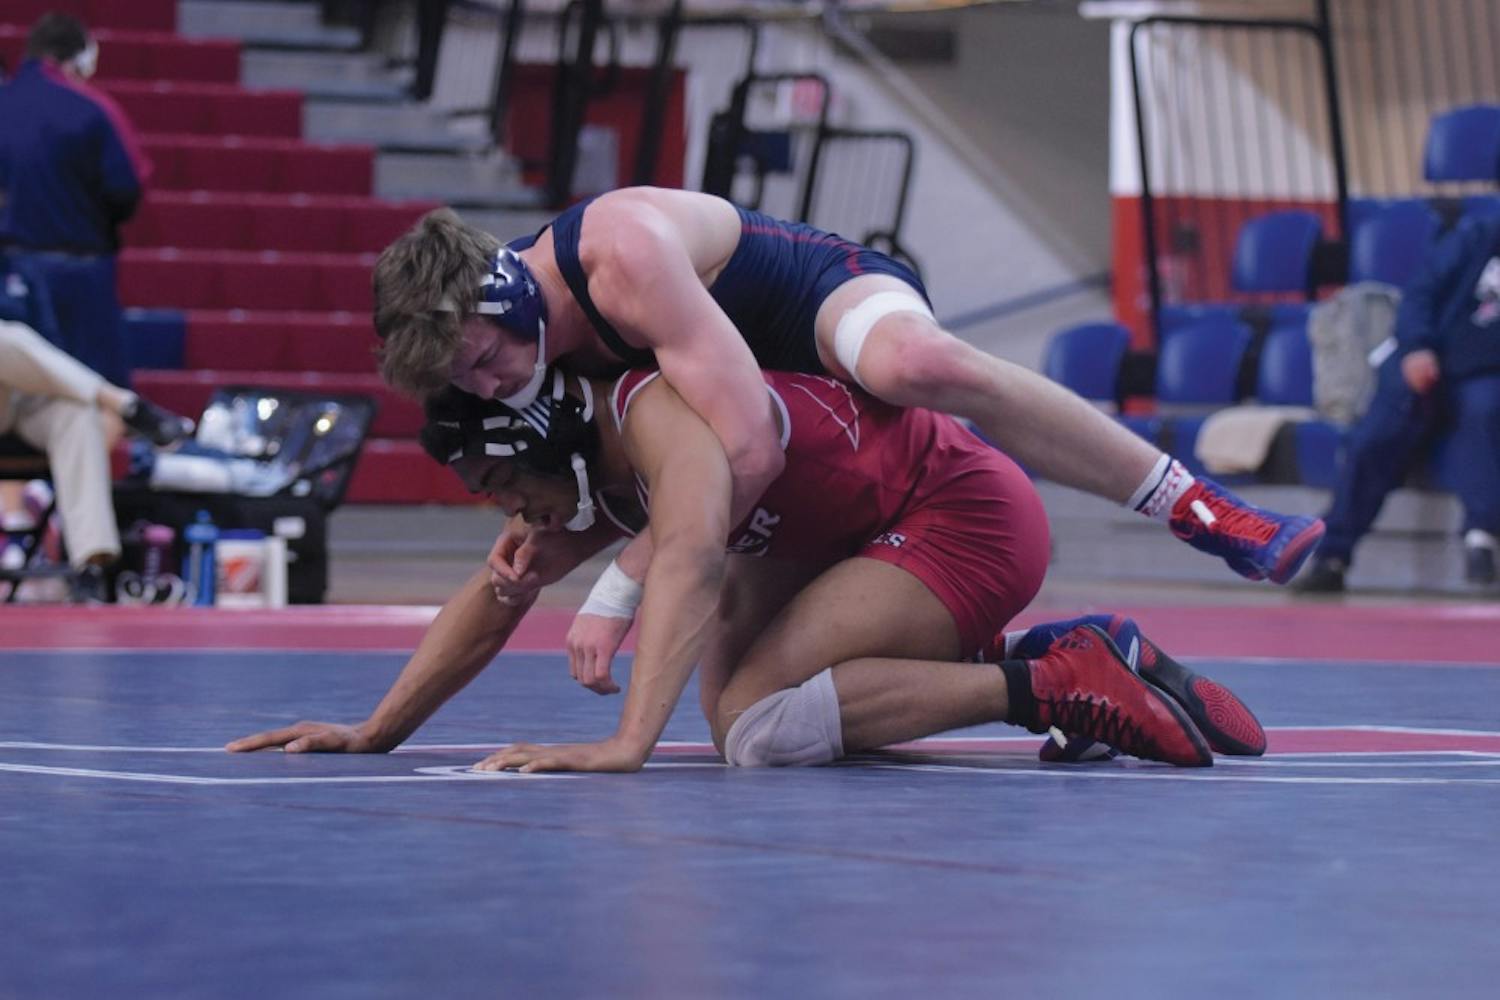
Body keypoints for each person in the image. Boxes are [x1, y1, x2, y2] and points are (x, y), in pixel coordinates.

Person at [228, 364, 1267, 770]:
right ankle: (1056, 650)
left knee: (761, 726)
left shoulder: (658, 425)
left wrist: (624, 745)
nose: (507, 512)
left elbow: (683, 567)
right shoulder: (592, 462)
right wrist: (375, 730)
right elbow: (502, 591)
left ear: (539, 435)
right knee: (746, 717)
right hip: (862, 531)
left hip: (961, 516)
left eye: (502, 484)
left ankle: (1051, 684)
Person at [370, 196, 1325, 602]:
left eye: (484, 359)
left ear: (507, 296)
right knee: (748, 700)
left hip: (808, 304)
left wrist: (620, 586)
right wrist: (557, 529)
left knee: (916, 365)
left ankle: (1198, 506)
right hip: (748, 386)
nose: (490, 386)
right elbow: (624, 472)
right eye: (465, 381)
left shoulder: (616, 256)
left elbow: (748, 449)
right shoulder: (516, 352)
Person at [1297, 214, 1500, 592]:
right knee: (1378, 435)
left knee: (1484, 412)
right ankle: (1332, 555)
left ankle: (1481, 539)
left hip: (1486, 375)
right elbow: (1420, 295)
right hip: (1432, 357)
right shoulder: (1478, 234)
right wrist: (1417, 346)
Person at [0, 12, 150, 387]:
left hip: (10, 270)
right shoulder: (93, 109)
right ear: (80, 59)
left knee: (18, 394)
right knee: (94, 389)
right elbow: (126, 188)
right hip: (82, 274)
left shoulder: (5, 102)